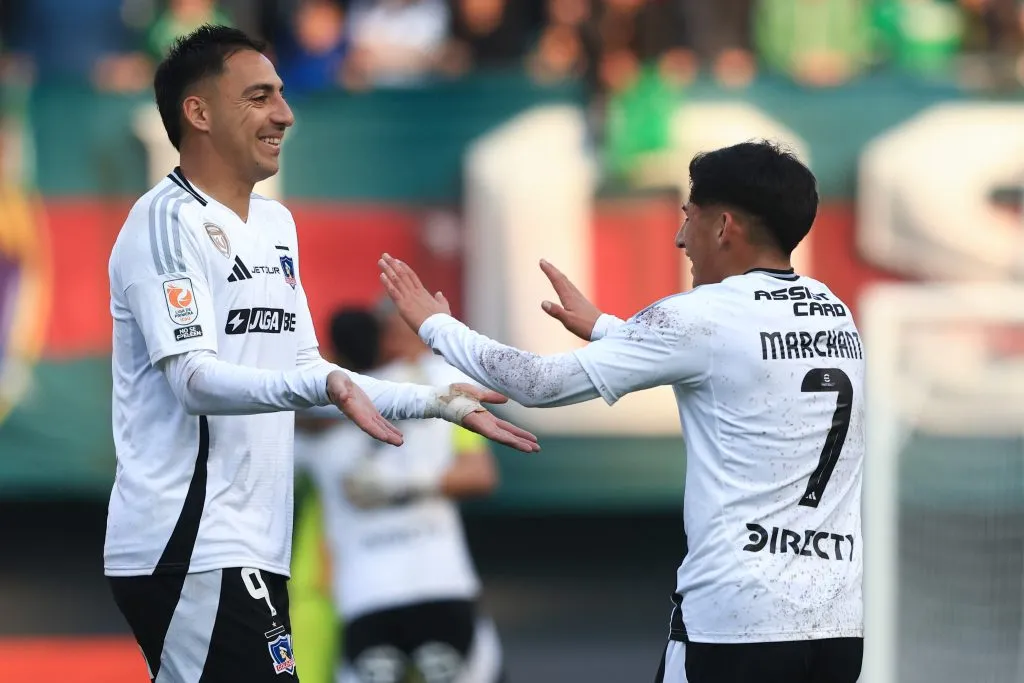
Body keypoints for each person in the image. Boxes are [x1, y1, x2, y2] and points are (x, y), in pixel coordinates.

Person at [104, 25, 537, 683]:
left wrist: (435, 402)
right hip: (188, 542)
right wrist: (314, 389)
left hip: (252, 543)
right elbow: (193, 379)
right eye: (259, 96)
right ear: (198, 112)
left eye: (281, 93)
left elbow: (312, 370)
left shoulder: (276, 226)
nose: (285, 111)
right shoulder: (165, 222)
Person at [379, 141, 865, 683]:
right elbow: (734, 355)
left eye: (689, 217)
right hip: (835, 626)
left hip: (736, 622)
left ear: (724, 226)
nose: (682, 239)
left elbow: (540, 385)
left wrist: (435, 328)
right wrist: (614, 332)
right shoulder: (834, 312)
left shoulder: (703, 313)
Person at [298, 301, 504, 683]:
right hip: (417, 592)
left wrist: (403, 485)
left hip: (375, 597)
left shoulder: (319, 421)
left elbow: (480, 474)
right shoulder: (435, 387)